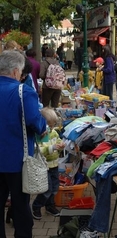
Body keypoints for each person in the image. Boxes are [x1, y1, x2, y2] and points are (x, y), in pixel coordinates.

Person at [0, 50, 46, 238]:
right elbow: (35, 121)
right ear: (15, 71)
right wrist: (43, 127)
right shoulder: (23, 91)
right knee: (20, 206)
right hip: (18, 160)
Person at [32, 107, 65, 220]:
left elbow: (58, 141)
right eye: (49, 125)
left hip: (54, 164)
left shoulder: (53, 132)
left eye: (53, 125)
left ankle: (50, 205)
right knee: (47, 188)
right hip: (45, 166)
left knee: (55, 187)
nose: (51, 128)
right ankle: (36, 206)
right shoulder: (40, 135)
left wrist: (61, 145)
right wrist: (52, 148)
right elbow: (40, 150)